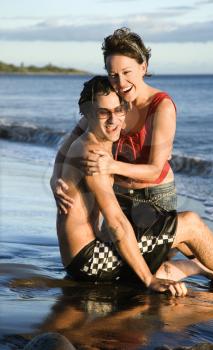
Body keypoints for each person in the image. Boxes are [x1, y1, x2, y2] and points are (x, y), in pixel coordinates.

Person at [53, 75, 213, 298]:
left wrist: (55, 178)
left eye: (118, 110)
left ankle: (202, 268)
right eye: (103, 113)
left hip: (82, 257)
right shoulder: (93, 155)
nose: (113, 120)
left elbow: (64, 146)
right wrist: (149, 281)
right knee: (190, 224)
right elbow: (117, 223)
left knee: (171, 231)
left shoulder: (91, 137)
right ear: (87, 114)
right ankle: (195, 268)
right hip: (90, 261)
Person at [50, 28, 191, 259]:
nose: (120, 82)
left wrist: (112, 166)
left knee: (153, 262)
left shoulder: (161, 107)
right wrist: (56, 179)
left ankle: (203, 266)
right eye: (113, 74)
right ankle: (199, 266)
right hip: (121, 197)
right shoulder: (113, 100)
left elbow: (155, 169)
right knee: (133, 266)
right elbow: (69, 142)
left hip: (154, 197)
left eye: (127, 72)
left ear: (143, 67)